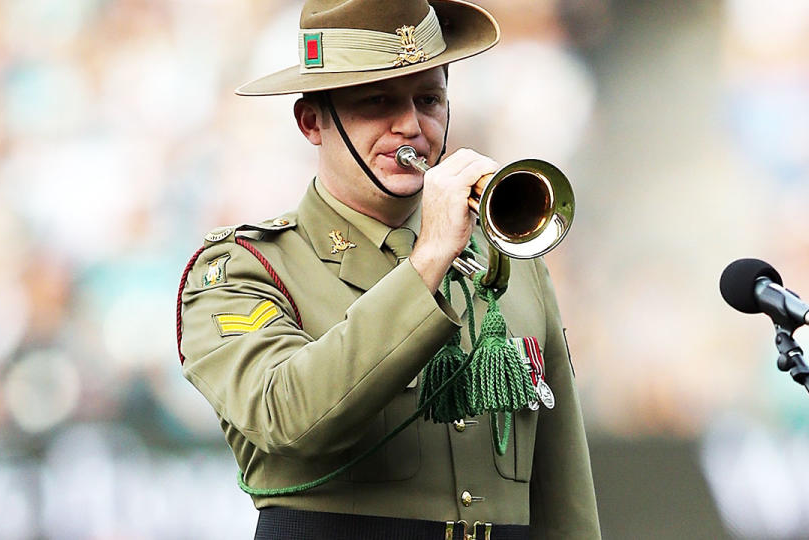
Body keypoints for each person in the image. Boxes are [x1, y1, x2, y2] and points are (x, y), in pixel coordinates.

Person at [176, 0, 601, 538]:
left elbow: (561, 486)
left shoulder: (503, 258)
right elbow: (287, 418)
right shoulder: (245, 268)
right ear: (312, 122)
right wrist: (426, 262)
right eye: (377, 102)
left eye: (429, 99)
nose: (411, 126)